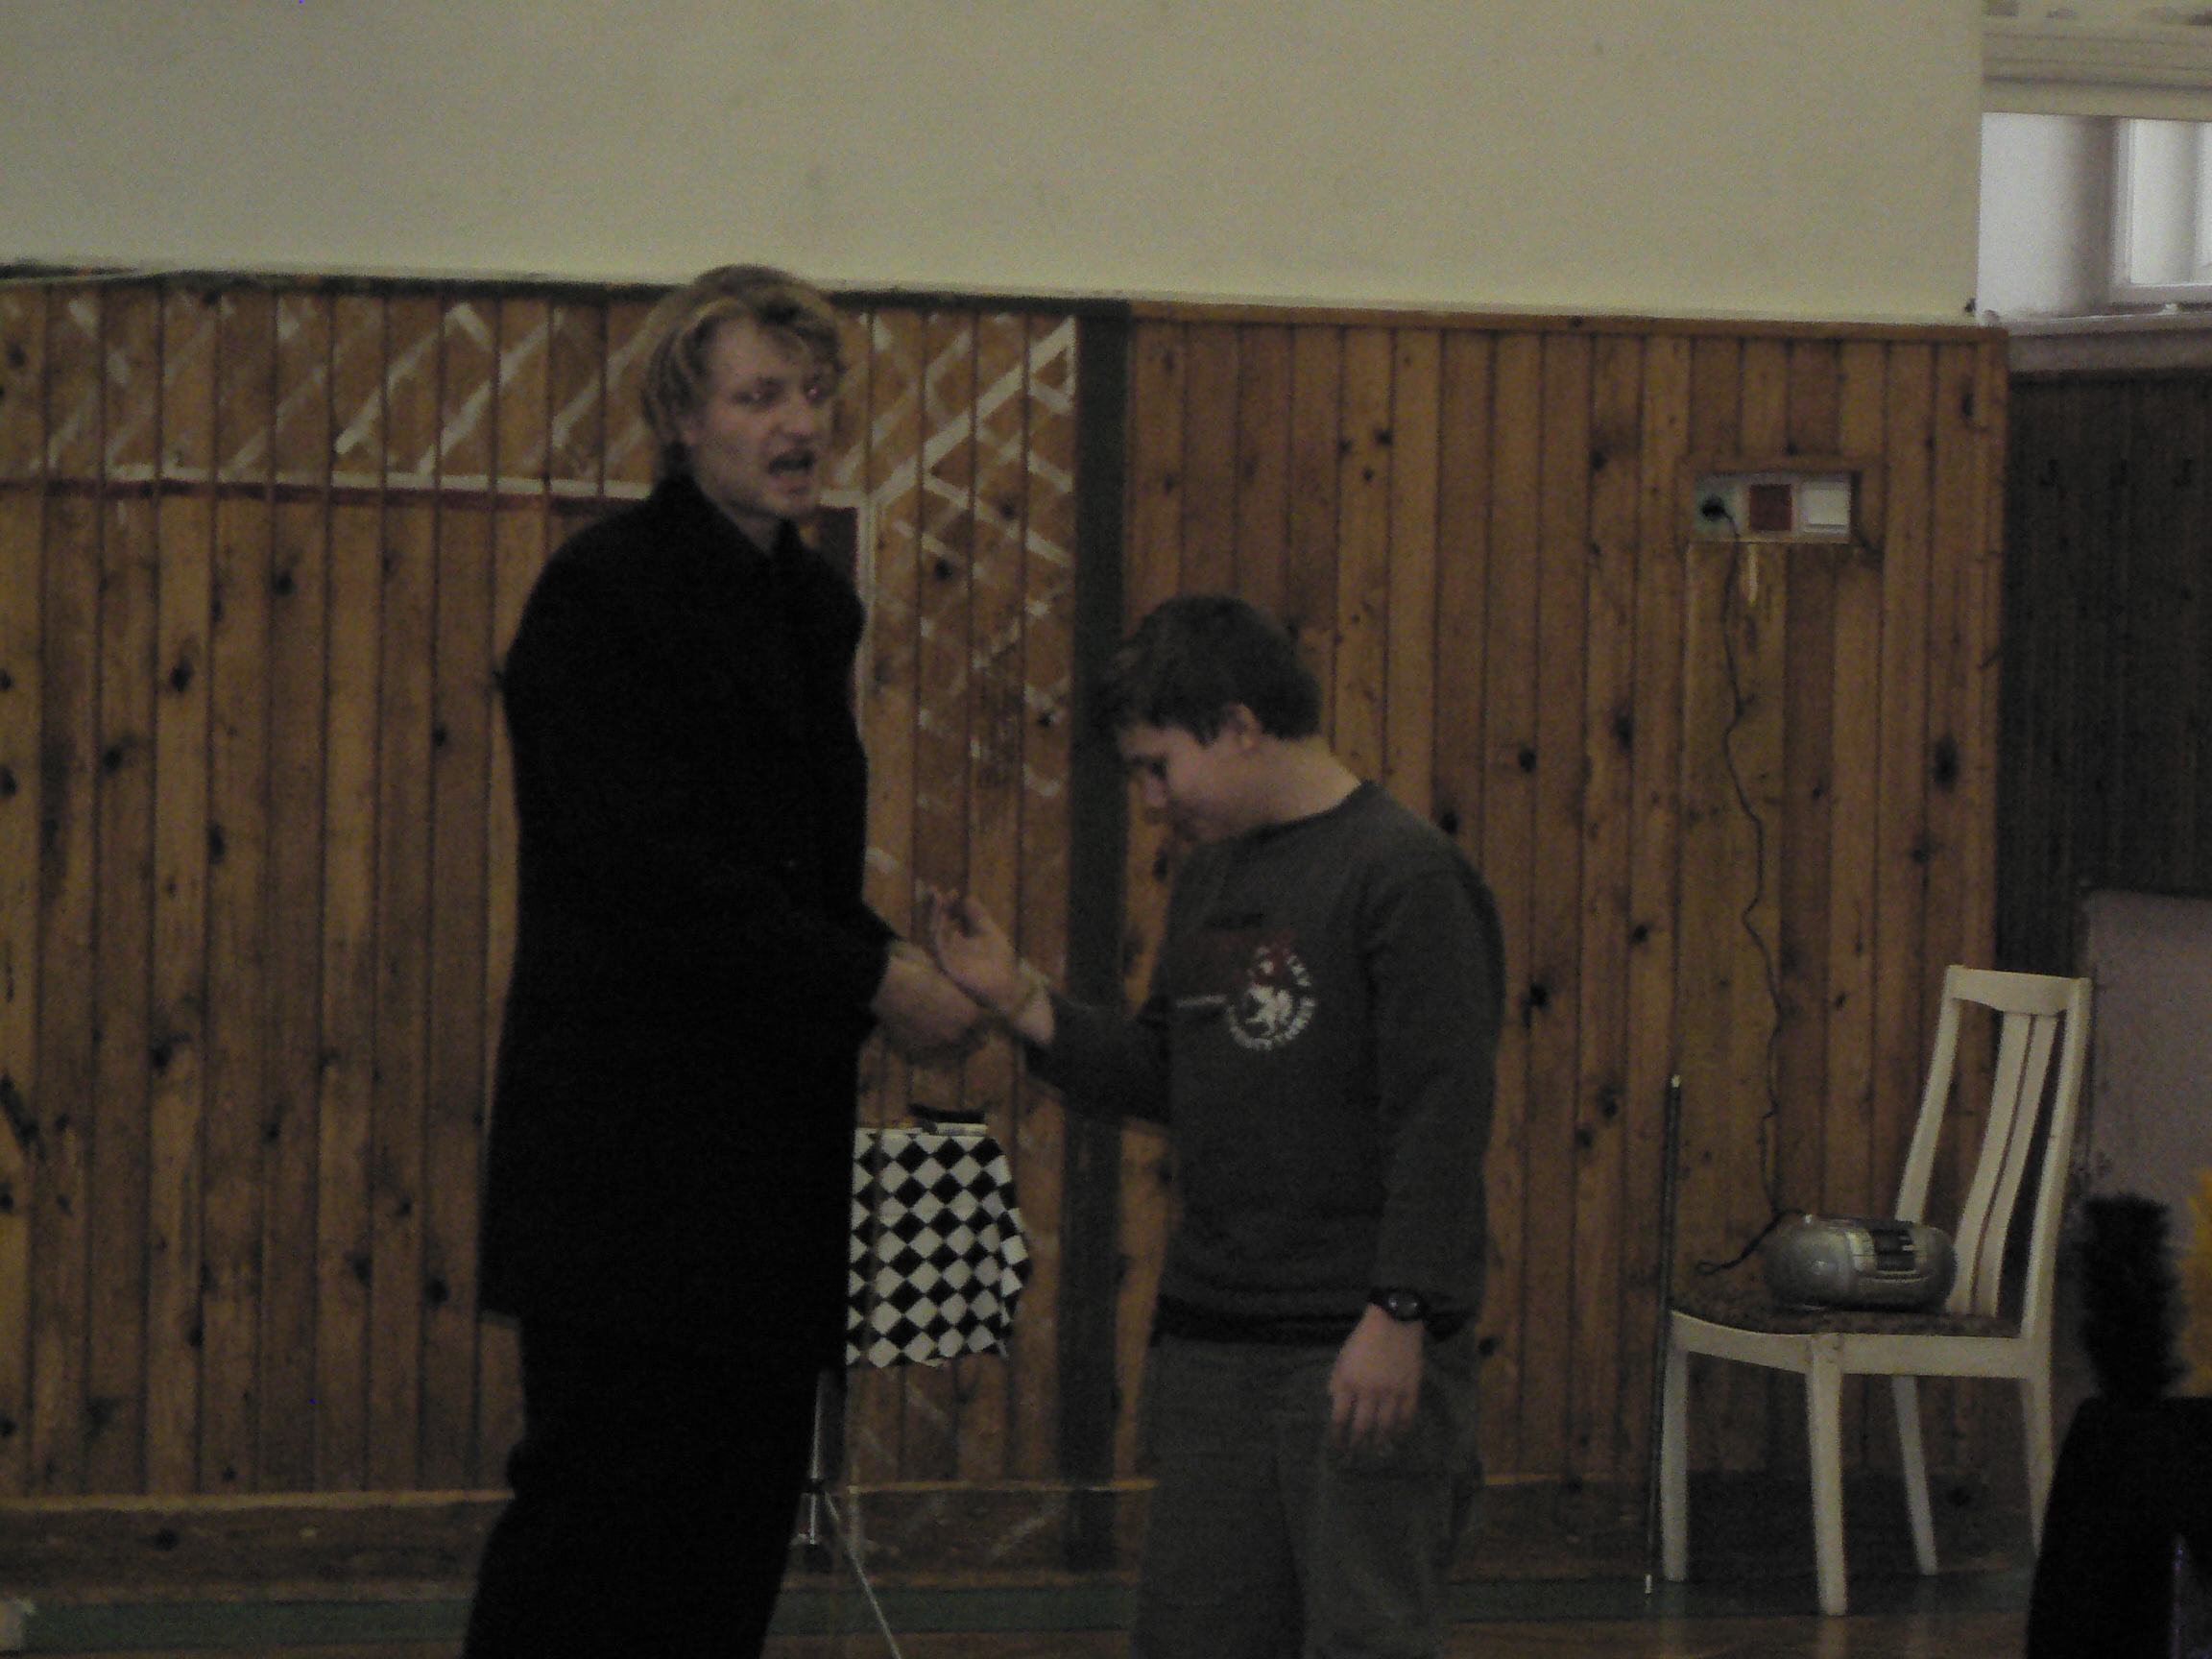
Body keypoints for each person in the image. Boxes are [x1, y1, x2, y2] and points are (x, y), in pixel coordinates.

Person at [463, 265, 981, 1659]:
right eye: (759, 396)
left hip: (768, 1172)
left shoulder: (810, 607)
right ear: (683, 420)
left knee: (734, 1533)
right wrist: (872, 983)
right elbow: (653, 876)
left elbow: (787, 880)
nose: (799, 424)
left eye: (813, 394)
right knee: (595, 1536)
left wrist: (907, 964)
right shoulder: (603, 595)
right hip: (628, 1170)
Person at [926, 593, 1505, 1659]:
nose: (1151, 802)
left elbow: (1441, 1117)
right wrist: (1020, 1001)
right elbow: (1170, 1068)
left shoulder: (1404, 875)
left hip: (1353, 1342)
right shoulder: (1213, 877)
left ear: (1239, 726)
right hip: (1215, 1340)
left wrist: (1401, 1311)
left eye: (1159, 768)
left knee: (1366, 1637)